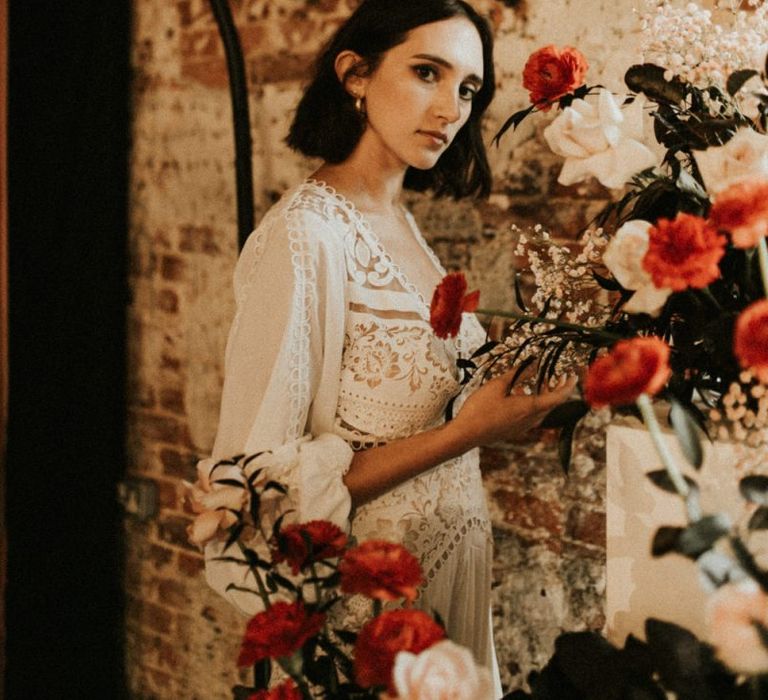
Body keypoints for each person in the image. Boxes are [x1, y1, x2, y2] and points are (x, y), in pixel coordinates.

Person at [203, 0, 576, 695]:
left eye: (468, 88)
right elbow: (264, 488)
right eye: (426, 72)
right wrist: (468, 432)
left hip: (450, 582)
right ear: (355, 75)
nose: (450, 107)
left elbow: (420, 419)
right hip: (371, 617)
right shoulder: (307, 236)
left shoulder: (403, 223)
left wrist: (522, 406)